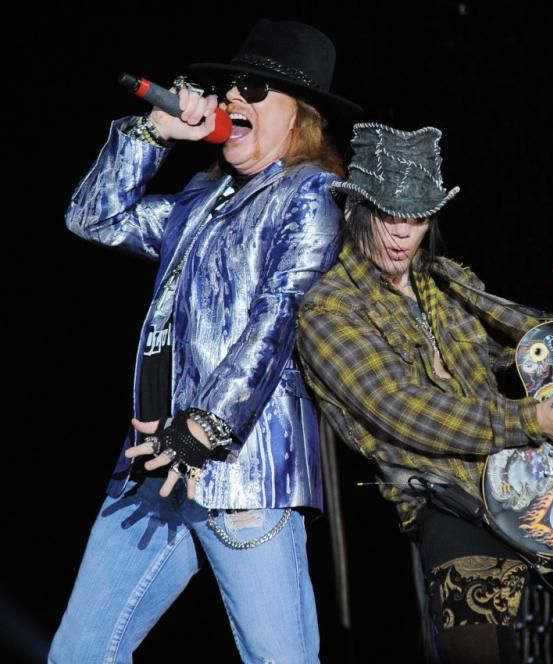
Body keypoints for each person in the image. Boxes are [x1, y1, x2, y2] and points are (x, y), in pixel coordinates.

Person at [297, 123, 553, 663]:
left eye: (417, 217)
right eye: (388, 214)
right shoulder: (328, 309)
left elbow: (540, 347)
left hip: (542, 480)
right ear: (357, 209)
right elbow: (406, 411)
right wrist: (533, 420)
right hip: (451, 503)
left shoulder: (445, 279)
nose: (403, 232)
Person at [49, 19, 360, 663]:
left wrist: (203, 426)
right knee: (79, 654)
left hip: (241, 473)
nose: (234, 97)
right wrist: (152, 134)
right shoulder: (203, 196)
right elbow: (93, 217)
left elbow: (278, 318)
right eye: (231, 86)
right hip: (153, 464)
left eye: (256, 89)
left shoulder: (311, 195)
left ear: (301, 117)